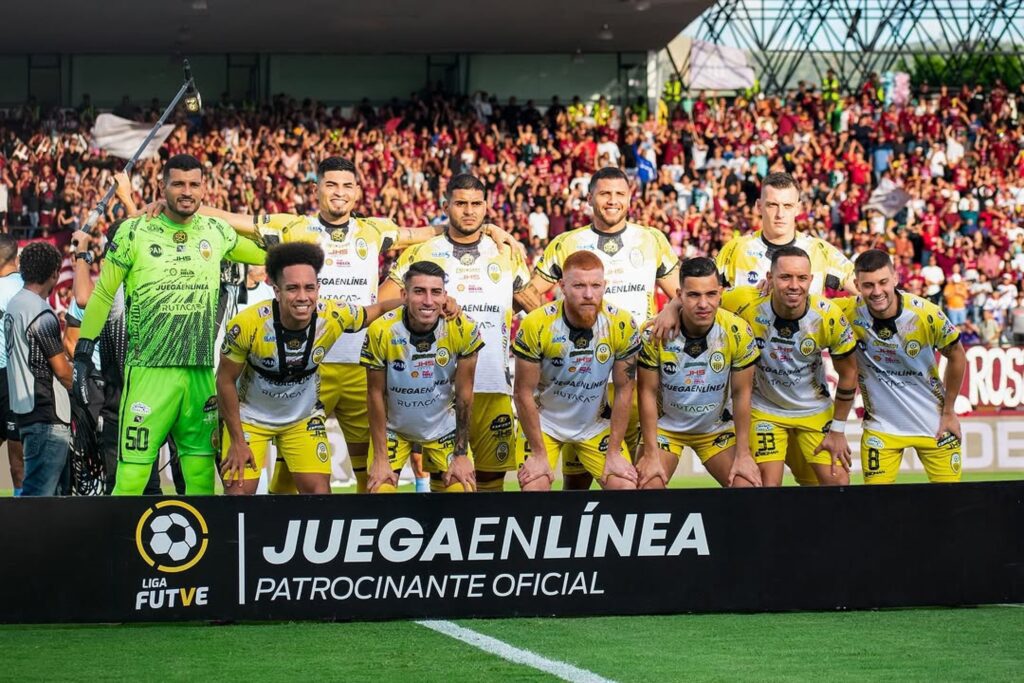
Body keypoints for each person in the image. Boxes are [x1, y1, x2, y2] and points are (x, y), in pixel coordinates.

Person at [189, 156, 521, 494]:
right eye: (331, 184)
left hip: (361, 368)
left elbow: (434, 230)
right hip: (310, 368)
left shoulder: (374, 230)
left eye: (347, 185)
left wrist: (489, 229)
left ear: (358, 191)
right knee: (292, 474)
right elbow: (230, 218)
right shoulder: (292, 226)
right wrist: (184, 208)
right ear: (316, 188)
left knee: (373, 474)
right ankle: (283, 538)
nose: (339, 192)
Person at [72, 154, 266, 495]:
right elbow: (102, 294)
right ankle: (119, 548)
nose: (186, 191)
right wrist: (83, 352)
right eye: (178, 184)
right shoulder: (135, 230)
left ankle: (201, 548)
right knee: (131, 478)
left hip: (199, 374)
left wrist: (227, 216)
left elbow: (270, 254)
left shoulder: (216, 231)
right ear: (162, 188)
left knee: (201, 474)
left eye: (194, 184)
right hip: (149, 372)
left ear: (205, 188)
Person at [522, 166, 680, 487]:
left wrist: (671, 309)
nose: (612, 201)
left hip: (633, 373)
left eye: (619, 194)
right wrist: (556, 330)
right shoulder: (567, 242)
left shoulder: (651, 240)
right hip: (580, 375)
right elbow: (527, 291)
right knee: (576, 481)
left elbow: (684, 294)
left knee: (629, 476)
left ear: (630, 198)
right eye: (605, 193)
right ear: (590, 197)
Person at [381, 174, 533, 491]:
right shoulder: (421, 253)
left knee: (492, 482)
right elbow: (382, 307)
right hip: (438, 390)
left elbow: (538, 311)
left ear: (486, 207)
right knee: (447, 481)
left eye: (476, 204)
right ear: (446, 205)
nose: (469, 211)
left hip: (494, 386)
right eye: (461, 203)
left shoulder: (506, 254)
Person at [217, 243, 400, 495]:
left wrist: (422, 302)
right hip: (251, 420)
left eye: (309, 288)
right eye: (292, 288)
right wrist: (237, 440)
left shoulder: (333, 315)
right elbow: (225, 381)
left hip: (301, 420)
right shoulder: (248, 325)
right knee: (238, 494)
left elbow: (377, 310)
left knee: (319, 497)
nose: (302, 297)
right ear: (276, 291)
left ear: (318, 289)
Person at [723, 247, 860, 486]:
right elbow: (703, 296)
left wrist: (838, 430)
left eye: (801, 278)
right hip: (765, 409)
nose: (794, 285)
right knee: (766, 485)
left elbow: (849, 374)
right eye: (785, 277)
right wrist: (672, 309)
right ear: (769, 279)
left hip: (814, 411)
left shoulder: (827, 316)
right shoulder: (746, 301)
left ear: (811, 280)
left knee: (838, 483)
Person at [514, 251, 642, 492]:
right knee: (534, 489)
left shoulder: (621, 323)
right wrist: (539, 454)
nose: (588, 294)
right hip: (545, 424)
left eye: (595, 285)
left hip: (595, 424)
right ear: (562, 286)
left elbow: (625, 389)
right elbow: (522, 393)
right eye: (579, 285)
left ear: (605, 285)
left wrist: (614, 452)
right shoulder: (536, 324)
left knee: (624, 487)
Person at [836, 249, 967, 483]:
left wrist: (949, 411)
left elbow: (957, 355)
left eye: (883, 282)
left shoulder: (925, 313)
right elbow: (805, 304)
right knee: (877, 510)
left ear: (895, 278)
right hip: (881, 429)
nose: (877, 292)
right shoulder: (846, 312)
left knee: (950, 508)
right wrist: (770, 286)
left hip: (935, 425)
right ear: (856, 284)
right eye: (868, 285)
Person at [636, 257, 762, 489]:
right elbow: (647, 393)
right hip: (667, 430)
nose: (703, 304)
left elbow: (742, 394)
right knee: (647, 487)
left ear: (720, 293)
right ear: (679, 295)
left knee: (747, 488)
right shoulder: (655, 334)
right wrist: (651, 454)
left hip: (715, 431)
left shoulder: (737, 331)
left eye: (711, 294)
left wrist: (743, 454)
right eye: (693, 295)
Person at [362, 261, 482, 493]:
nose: (428, 301)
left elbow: (465, 394)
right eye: (419, 291)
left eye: (435, 292)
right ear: (404, 295)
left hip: (442, 429)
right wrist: (380, 458)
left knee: (464, 492)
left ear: (445, 296)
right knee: (380, 493)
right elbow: (374, 394)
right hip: (394, 430)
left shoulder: (463, 328)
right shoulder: (381, 330)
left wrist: (461, 454)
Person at [5, 242, 72, 496]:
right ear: (55, 273)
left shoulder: (15, 304)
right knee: (40, 500)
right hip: (46, 415)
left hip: (27, 413)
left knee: (45, 499)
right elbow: (62, 371)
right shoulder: (39, 311)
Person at [0, 235, 24, 495]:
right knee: (18, 465)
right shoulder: (29, 287)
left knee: (18, 463)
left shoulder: (18, 288)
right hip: (19, 380)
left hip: (11, 379)